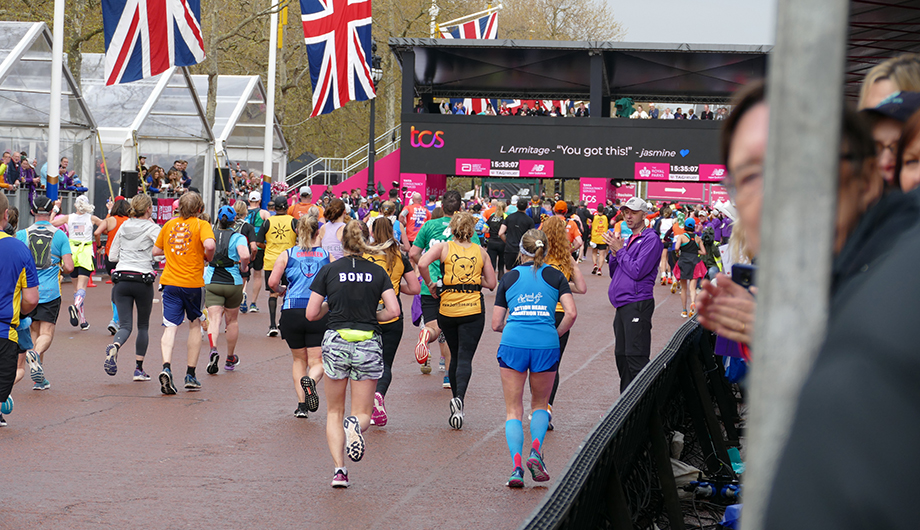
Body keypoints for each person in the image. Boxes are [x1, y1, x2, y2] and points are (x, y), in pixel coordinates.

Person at [305, 220, 400, 488]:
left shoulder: (328, 271)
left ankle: (339, 471)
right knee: (363, 414)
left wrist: (328, 306)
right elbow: (394, 311)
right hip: (368, 341)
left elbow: (311, 314)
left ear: (342, 242)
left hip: (336, 340)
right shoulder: (377, 271)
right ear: (366, 241)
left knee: (333, 411)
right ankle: (354, 424)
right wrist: (373, 316)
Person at [492, 229, 576, 487]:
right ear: (546, 250)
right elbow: (571, 313)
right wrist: (555, 332)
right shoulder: (556, 275)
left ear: (521, 250)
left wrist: (515, 327)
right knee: (540, 405)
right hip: (546, 343)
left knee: (513, 409)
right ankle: (536, 451)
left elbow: (496, 323)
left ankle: (516, 469)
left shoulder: (509, 277)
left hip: (514, 342)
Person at [418, 212, 497, 429]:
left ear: (452, 228)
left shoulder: (443, 248)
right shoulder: (480, 252)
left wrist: (432, 283)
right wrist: (474, 278)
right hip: (472, 309)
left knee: (452, 353)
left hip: (448, 309)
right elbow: (492, 283)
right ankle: (459, 399)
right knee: (465, 358)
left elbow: (422, 262)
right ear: (472, 230)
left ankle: (455, 398)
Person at [410, 191, 478, 379]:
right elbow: (478, 254)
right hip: (456, 285)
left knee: (433, 327)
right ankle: (449, 375)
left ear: (441, 205)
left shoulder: (429, 225)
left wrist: (426, 274)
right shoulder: (466, 228)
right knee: (452, 332)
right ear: (460, 208)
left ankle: (426, 335)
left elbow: (414, 253)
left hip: (429, 285)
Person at [152, 192, 216, 394]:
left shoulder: (169, 225)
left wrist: (173, 251)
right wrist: (207, 257)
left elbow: (155, 251)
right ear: (200, 209)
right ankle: (190, 373)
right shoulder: (201, 224)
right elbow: (210, 245)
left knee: (170, 326)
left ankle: (166, 367)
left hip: (169, 281)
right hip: (192, 283)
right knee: (195, 324)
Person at [601, 198, 662, 393]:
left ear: (644, 215)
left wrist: (620, 251)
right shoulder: (628, 240)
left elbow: (637, 271)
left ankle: (644, 408)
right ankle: (625, 405)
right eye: (626, 211)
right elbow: (615, 272)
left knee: (635, 358)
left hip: (637, 302)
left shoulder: (651, 239)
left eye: (633, 212)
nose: (628, 215)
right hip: (623, 304)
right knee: (622, 356)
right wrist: (614, 252)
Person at [365, 217, 420, 426]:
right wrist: (394, 290)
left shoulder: (366, 254)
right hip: (392, 313)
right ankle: (379, 395)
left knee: (367, 362)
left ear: (372, 232)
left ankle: (367, 403)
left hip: (368, 314)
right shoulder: (399, 256)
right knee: (385, 363)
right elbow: (415, 288)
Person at [17, 196, 73, 391]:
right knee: (46, 332)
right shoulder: (59, 235)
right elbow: (69, 266)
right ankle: (36, 354)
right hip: (49, 291)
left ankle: (39, 379)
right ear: (51, 212)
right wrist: (60, 268)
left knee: (34, 331)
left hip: (27, 291)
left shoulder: (22, 235)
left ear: (32, 212)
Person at [104, 194, 161, 380]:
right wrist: (151, 257)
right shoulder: (153, 228)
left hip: (121, 278)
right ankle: (138, 369)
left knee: (125, 325)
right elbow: (161, 253)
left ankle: (116, 346)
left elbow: (112, 256)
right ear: (148, 209)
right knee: (143, 325)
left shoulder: (124, 226)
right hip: (142, 278)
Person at [541, 216, 586, 428]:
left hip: (538, 310)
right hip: (560, 313)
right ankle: (547, 407)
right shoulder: (566, 259)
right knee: (553, 364)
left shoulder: (538, 257)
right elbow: (582, 287)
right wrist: (563, 286)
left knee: (536, 363)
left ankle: (537, 406)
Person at [0, 191, 39, 427]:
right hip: (4, 330)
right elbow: (32, 298)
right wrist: (20, 313)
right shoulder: (19, 249)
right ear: (6, 215)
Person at [204, 206, 250, 376]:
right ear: (234, 221)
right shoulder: (238, 237)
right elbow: (244, 255)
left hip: (212, 279)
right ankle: (230, 357)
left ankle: (213, 348)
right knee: (232, 322)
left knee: (214, 319)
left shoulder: (210, 235)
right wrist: (244, 267)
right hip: (233, 281)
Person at [51, 196, 103, 331]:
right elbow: (105, 225)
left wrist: (56, 208)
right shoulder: (92, 218)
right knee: (82, 288)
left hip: (71, 253)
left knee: (76, 289)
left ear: (75, 205)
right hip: (85, 252)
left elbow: (51, 223)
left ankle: (83, 321)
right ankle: (75, 307)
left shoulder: (69, 218)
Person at [256, 195, 298, 337]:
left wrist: (268, 246)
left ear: (274, 207)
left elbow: (258, 242)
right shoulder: (293, 221)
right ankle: (285, 322)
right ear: (286, 207)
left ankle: (272, 325)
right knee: (289, 291)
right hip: (289, 260)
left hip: (271, 261)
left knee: (273, 293)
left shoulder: (268, 222)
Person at [100, 198, 131, 334]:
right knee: (124, 289)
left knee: (115, 286)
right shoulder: (129, 222)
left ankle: (116, 318)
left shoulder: (110, 220)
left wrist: (99, 244)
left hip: (110, 256)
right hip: (124, 257)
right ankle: (116, 319)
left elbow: (99, 231)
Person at [243, 191, 270, 314]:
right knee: (257, 274)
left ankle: (242, 294)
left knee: (243, 274)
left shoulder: (243, 212)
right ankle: (253, 303)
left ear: (249, 200)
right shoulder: (263, 213)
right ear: (259, 201)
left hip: (244, 246)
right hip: (259, 246)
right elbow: (270, 225)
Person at [673, 218, 706, 317]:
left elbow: (676, 248)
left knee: (683, 288)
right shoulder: (697, 238)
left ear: (685, 226)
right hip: (695, 262)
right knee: (693, 288)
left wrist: (678, 253)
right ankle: (693, 302)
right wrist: (696, 252)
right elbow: (704, 252)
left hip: (683, 261)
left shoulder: (682, 237)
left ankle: (684, 310)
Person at [498, 197, 535, 274]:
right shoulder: (529, 220)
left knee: (509, 271)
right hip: (522, 250)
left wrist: (507, 241)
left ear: (516, 206)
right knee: (522, 271)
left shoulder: (509, 218)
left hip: (510, 248)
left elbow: (500, 233)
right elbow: (532, 236)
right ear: (527, 207)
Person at [485, 201, 507, 279]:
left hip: (491, 242)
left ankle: (491, 280)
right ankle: (500, 281)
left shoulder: (492, 216)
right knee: (501, 265)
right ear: (504, 208)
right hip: (502, 242)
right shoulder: (505, 217)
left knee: (492, 263)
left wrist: (490, 230)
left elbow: (484, 229)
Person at [589, 206, 609, 276]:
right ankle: (600, 269)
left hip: (595, 238)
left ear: (597, 210)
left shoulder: (594, 217)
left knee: (594, 252)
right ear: (603, 210)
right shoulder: (606, 218)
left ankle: (595, 264)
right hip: (603, 238)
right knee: (602, 255)